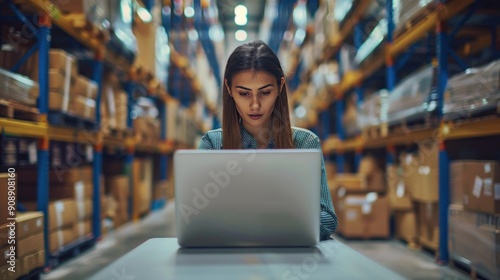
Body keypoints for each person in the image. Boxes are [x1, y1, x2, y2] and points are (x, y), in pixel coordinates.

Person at [198, 40, 338, 241]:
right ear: (229, 89)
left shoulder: (305, 144)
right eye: (244, 93)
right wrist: (283, 219)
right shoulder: (212, 145)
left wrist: (250, 222)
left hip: (288, 257)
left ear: (280, 86)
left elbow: (327, 219)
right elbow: (198, 216)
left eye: (265, 92)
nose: (255, 105)